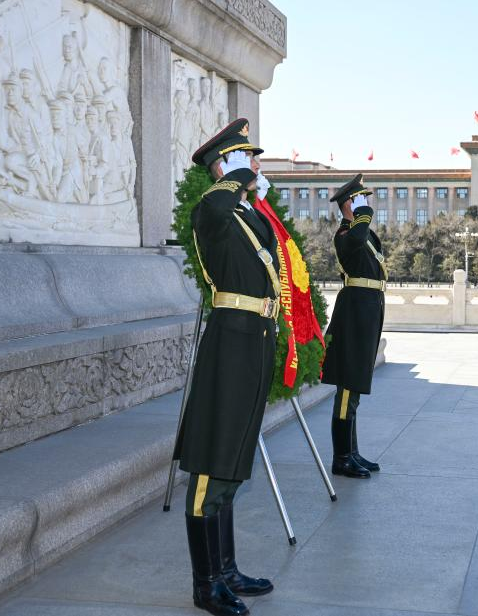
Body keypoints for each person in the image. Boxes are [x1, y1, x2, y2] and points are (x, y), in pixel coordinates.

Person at [173, 118, 280, 616]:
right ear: (226, 163)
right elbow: (215, 205)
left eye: (253, 160)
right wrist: (231, 180)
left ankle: (227, 567)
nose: (255, 166)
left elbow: (270, 257)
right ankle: (205, 582)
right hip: (229, 342)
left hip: (254, 340)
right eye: (246, 158)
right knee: (210, 457)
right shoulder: (210, 211)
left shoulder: (243, 213)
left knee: (233, 456)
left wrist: (250, 194)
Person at [320, 173, 387, 479]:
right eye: (360, 200)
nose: (366, 204)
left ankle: (353, 452)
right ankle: (341, 457)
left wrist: (363, 218)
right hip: (355, 311)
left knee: (355, 387)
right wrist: (362, 217)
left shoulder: (365, 233)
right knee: (347, 387)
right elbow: (356, 242)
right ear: (348, 204)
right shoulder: (346, 234)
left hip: (368, 308)